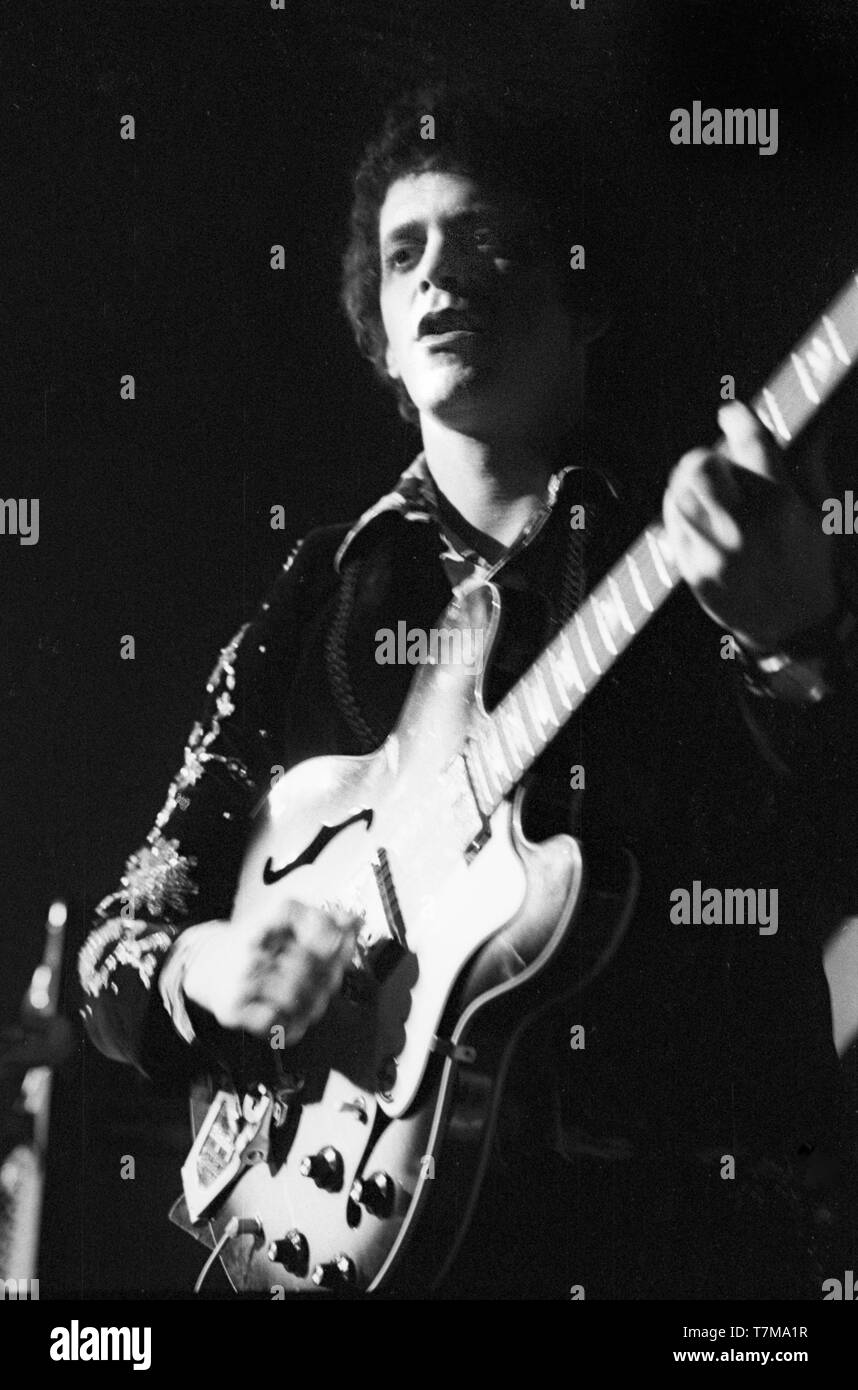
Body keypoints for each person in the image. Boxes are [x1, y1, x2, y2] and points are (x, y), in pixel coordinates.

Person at [78, 84, 858, 1299]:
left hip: (677, 1249)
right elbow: (119, 949)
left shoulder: (695, 548)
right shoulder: (312, 592)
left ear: (584, 293)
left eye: (488, 236)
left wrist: (797, 645)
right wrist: (202, 972)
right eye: (405, 253)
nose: (441, 271)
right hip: (340, 1230)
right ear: (380, 332)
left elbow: (823, 861)